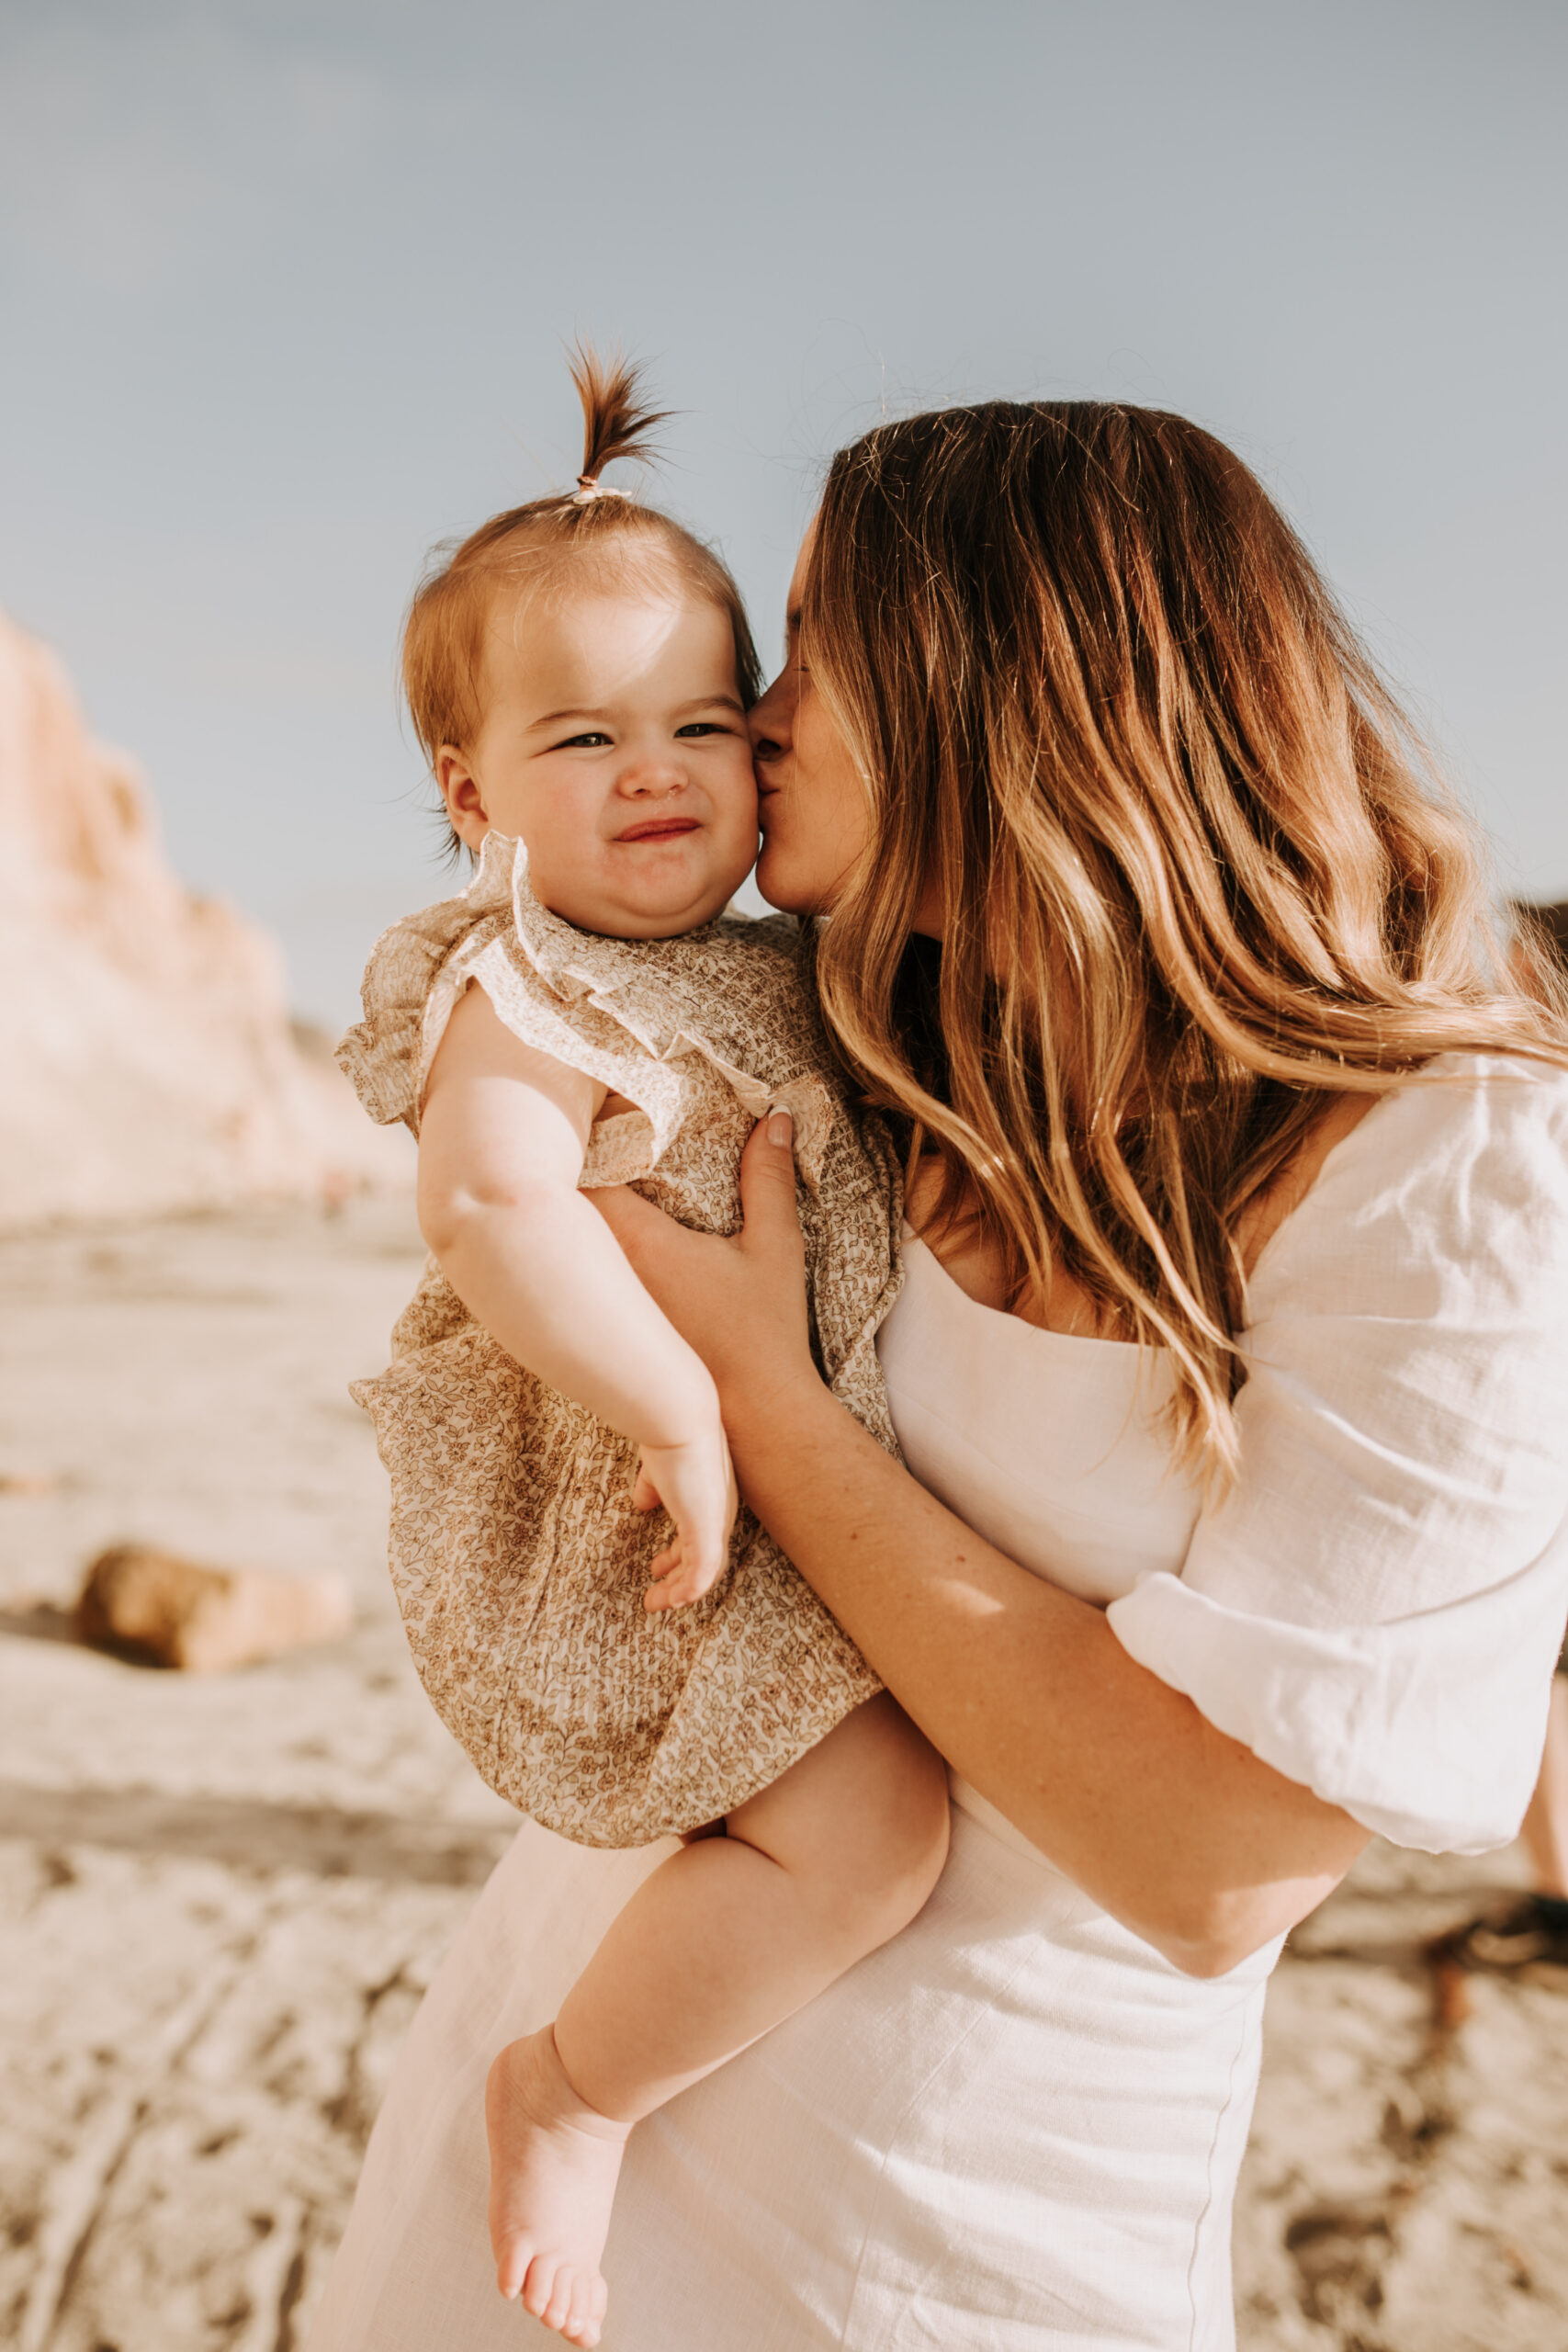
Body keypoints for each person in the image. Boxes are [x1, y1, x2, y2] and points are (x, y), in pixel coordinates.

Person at [306, 396, 1568, 2352]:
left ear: (1016, 678)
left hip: (950, 2217)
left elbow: (1210, 1863)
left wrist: (764, 1404)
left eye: (817, 640)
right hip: (591, 2037)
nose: (763, 708)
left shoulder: (1438, 1162)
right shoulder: (862, 1042)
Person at [334, 352, 948, 2348]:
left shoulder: (775, 964)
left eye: (703, 715)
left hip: (760, 1464)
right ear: (470, 793)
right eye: (582, 733)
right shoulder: (519, 979)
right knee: (869, 1827)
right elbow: (492, 1205)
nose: (656, 766)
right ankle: (570, 2089)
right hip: (626, 1487)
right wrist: (683, 1404)